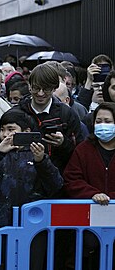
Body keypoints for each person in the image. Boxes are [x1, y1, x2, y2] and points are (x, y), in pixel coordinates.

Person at [0, 110, 63, 230]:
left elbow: (56, 184)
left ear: (26, 131)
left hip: (33, 221)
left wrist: (41, 161)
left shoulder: (37, 153)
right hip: (0, 222)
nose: (5, 134)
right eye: (2, 129)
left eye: (11, 129)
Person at [63, 102, 115, 270]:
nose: (102, 125)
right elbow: (71, 179)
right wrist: (92, 194)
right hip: (87, 222)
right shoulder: (83, 149)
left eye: (108, 121)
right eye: (98, 121)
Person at [12, 63, 81, 173]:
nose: (40, 93)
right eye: (36, 88)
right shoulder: (15, 114)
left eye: (46, 89)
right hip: (22, 179)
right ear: (29, 86)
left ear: (54, 88)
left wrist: (63, 143)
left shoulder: (66, 114)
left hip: (57, 179)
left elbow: (80, 153)